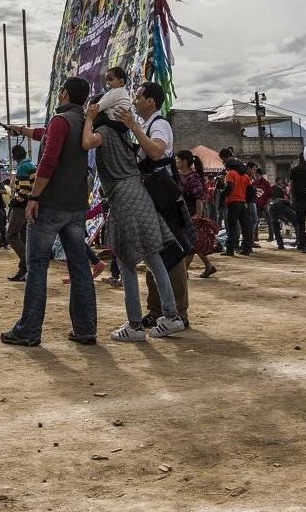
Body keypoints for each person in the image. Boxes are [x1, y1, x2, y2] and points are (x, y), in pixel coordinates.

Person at [0, 77, 97, 348]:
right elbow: (46, 134)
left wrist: (34, 197)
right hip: (76, 207)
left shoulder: (60, 120)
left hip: (50, 206)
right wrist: (20, 129)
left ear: (64, 93)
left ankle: (28, 330)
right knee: (80, 267)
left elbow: (49, 159)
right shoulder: (83, 122)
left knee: (37, 267)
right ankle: (86, 329)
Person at [82, 99, 185, 341]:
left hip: (124, 199)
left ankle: (135, 325)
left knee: (126, 261)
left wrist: (88, 118)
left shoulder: (104, 131)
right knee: (153, 258)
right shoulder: (123, 133)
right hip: (141, 196)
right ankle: (172, 316)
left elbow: (86, 142)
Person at [116, 82, 193, 326]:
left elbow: (157, 152)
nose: (135, 101)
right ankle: (157, 309)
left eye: (139, 97)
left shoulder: (159, 125)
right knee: (153, 251)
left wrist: (133, 127)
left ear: (151, 101)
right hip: (151, 196)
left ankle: (178, 312)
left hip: (163, 198)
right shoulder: (147, 125)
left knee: (172, 253)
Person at [176, 150, 217, 277]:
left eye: (177, 159)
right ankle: (208, 266)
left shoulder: (193, 178)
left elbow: (199, 198)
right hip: (182, 214)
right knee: (193, 243)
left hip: (192, 214)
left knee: (192, 244)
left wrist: (198, 216)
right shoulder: (179, 176)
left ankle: (184, 272)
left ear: (184, 161)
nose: (176, 162)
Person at [5, 144, 35, 281]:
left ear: (14, 156)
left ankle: (26, 262)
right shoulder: (31, 164)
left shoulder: (23, 167)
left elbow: (24, 190)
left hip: (21, 205)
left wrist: (14, 201)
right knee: (23, 237)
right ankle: (24, 271)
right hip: (29, 205)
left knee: (11, 235)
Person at [288, 152, 306, 253]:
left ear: (299, 159)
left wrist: (292, 199)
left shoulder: (294, 170)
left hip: (299, 201)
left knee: (300, 224)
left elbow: (291, 185)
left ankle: (302, 244)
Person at [221, 159, 252, 256]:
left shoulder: (231, 173)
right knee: (246, 227)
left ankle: (230, 250)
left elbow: (229, 187)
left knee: (231, 228)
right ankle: (246, 249)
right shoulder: (245, 176)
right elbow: (250, 190)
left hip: (233, 203)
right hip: (243, 204)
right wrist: (246, 201)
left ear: (229, 166)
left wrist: (222, 196)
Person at [266, 179, 298, 248]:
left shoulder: (274, 199)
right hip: (281, 206)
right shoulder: (284, 200)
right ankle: (299, 240)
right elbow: (289, 208)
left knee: (275, 226)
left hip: (271, 208)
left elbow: (280, 215)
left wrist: (285, 220)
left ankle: (280, 244)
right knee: (296, 222)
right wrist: (293, 213)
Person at [250, 166, 274, 243]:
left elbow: (271, 195)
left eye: (257, 175)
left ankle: (271, 237)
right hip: (257, 204)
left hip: (265, 204)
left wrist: (267, 204)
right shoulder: (254, 183)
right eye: (255, 175)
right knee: (255, 221)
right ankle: (255, 237)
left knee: (269, 221)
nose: (255, 176)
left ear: (260, 175)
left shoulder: (266, 183)